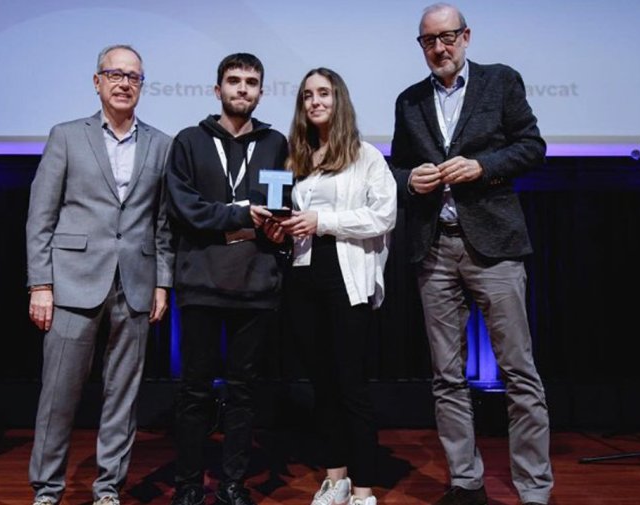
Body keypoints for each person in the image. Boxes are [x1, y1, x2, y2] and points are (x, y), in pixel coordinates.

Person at [389, 4, 553, 505]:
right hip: (434, 249)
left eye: (448, 37)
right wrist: (409, 181)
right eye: (429, 41)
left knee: (519, 371)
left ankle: (534, 489)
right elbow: (396, 169)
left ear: (466, 37)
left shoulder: (501, 82)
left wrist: (482, 166)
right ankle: (465, 482)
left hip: (495, 246)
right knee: (446, 377)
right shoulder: (410, 100)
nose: (439, 48)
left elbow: (532, 147)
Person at [25, 44, 174, 505]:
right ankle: (47, 490)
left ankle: (108, 487)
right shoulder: (67, 136)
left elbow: (163, 222)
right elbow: (40, 217)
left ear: (142, 86)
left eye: (134, 77)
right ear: (97, 82)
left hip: (135, 284)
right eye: (115, 74)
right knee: (59, 396)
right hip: (71, 283)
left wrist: (163, 282)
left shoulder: (161, 144)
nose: (124, 82)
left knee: (122, 397)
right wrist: (41, 284)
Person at [165, 52, 289, 505]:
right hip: (200, 282)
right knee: (195, 392)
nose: (243, 89)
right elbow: (185, 208)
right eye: (234, 81)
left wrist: (272, 225)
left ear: (260, 91)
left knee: (243, 393)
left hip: (256, 285)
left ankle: (233, 484)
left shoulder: (275, 143)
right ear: (217, 90)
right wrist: (239, 215)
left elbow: (276, 208)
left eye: (251, 82)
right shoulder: (189, 142)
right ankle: (189, 484)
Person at [276, 68, 397, 505]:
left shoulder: (366, 156)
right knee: (321, 384)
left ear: (338, 99)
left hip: (347, 279)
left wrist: (323, 221)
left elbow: (383, 217)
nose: (314, 101)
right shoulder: (297, 158)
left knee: (351, 384)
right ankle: (335, 478)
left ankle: (363, 487)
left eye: (323, 93)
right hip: (303, 278)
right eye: (307, 95)